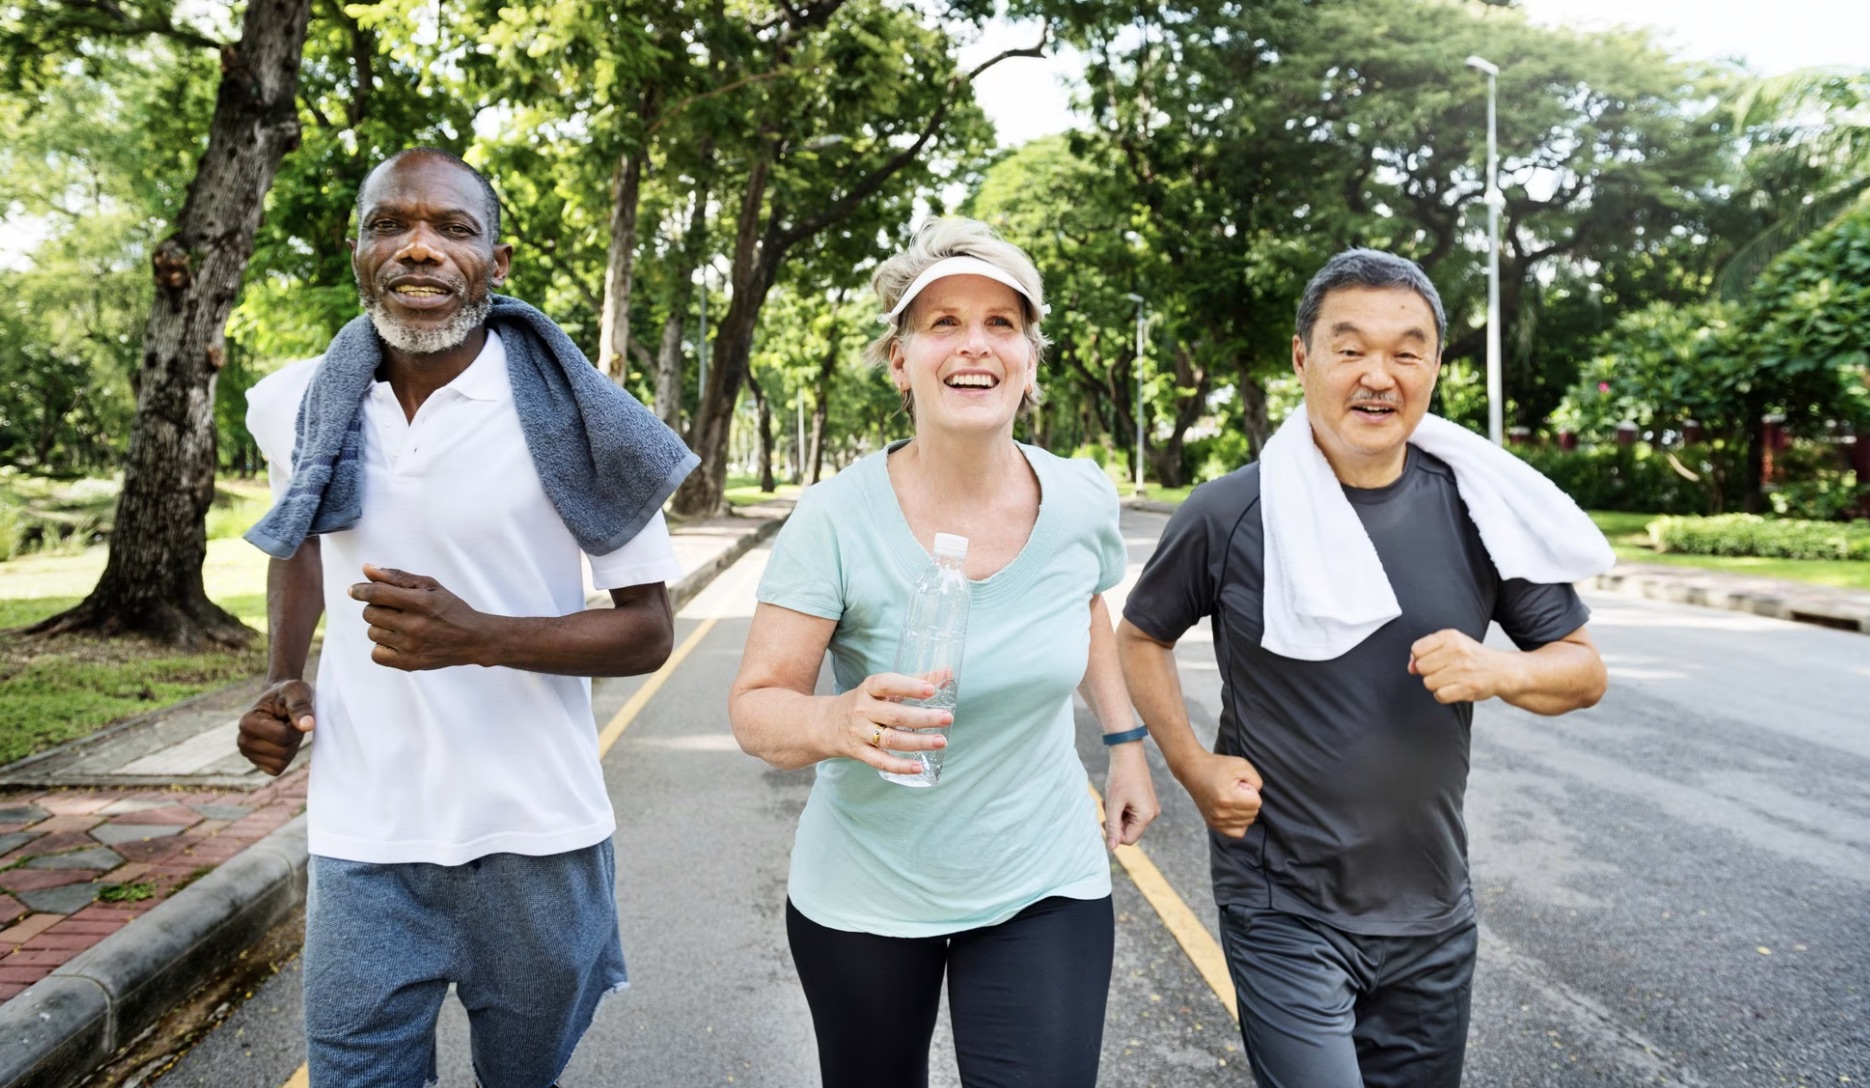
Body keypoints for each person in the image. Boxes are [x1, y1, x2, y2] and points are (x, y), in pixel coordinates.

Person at [237, 148, 698, 1088]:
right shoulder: (295, 402)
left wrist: (479, 637)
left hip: (537, 839)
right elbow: (299, 543)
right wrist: (284, 677)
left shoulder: (581, 418)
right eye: (389, 225)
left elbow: (649, 631)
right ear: (357, 248)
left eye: (452, 228)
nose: (419, 249)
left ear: (497, 260)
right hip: (365, 836)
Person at [1116, 248, 1610, 1088]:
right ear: (1303, 358)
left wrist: (1499, 671)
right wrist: (1193, 767)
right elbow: (1140, 637)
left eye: (1406, 350)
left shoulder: (1478, 508)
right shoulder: (1230, 512)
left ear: (1434, 368)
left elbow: (1583, 670)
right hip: (1283, 903)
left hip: (1432, 911)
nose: (1379, 374)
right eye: (1350, 349)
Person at [728, 217, 1159, 1088]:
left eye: (1002, 323)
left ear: (1031, 359)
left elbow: (1083, 607)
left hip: (1044, 876)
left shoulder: (1078, 496)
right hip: (867, 892)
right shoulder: (836, 518)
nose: (976, 346)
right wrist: (838, 718)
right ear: (901, 359)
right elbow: (756, 708)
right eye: (944, 323)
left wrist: (1124, 745)